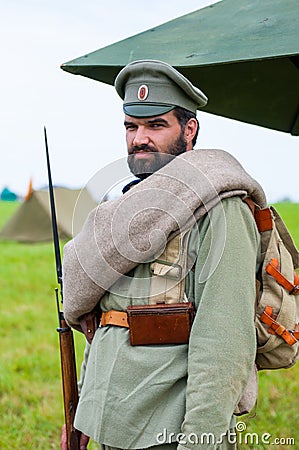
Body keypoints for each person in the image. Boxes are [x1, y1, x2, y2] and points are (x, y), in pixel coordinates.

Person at [61, 60, 266, 450]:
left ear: (189, 130)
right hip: (111, 423)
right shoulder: (124, 212)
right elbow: (107, 321)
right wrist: (85, 412)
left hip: (168, 433)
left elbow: (223, 348)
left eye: (156, 125)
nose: (140, 138)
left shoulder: (220, 210)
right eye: (131, 126)